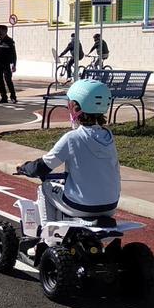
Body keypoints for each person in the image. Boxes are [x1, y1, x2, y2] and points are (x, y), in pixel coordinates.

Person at [17, 79, 120, 219]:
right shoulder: (108, 136)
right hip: (110, 206)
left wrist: (23, 168)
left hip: (82, 206)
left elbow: (41, 168)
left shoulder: (72, 138)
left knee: (45, 188)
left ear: (76, 107)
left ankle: (49, 236)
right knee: (64, 187)